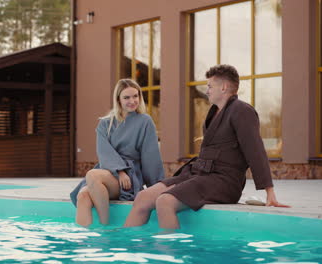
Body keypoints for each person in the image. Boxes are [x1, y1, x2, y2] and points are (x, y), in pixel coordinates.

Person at [123, 64, 289, 230]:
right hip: (198, 173)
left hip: (224, 181)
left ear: (223, 87)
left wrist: (269, 192)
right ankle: (126, 247)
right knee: (143, 197)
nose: (207, 90)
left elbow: (256, 151)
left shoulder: (242, 111)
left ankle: (169, 253)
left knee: (165, 202)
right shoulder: (214, 112)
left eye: (210, 86)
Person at [70, 78, 165, 227]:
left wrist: (157, 186)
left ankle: (105, 227)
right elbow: (104, 152)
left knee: (92, 175)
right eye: (126, 97)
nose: (132, 101)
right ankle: (84, 243)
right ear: (118, 100)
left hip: (129, 179)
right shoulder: (105, 123)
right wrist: (119, 170)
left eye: (135, 96)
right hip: (108, 172)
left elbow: (150, 156)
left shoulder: (145, 121)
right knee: (82, 196)